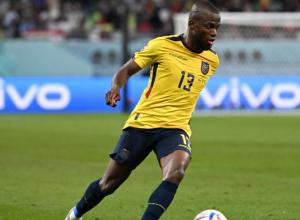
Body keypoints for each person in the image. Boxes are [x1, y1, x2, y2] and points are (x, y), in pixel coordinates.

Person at [65, 1, 220, 219]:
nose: (214, 33)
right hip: (142, 124)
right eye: (209, 26)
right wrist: (115, 88)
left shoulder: (211, 60)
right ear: (192, 24)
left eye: (217, 28)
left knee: (176, 173)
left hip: (176, 128)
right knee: (108, 184)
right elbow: (125, 70)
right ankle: (75, 213)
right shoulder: (161, 46)